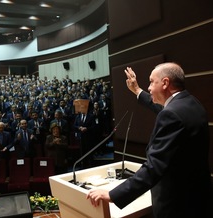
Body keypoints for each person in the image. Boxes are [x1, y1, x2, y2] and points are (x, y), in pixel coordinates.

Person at [86, 62, 211, 217]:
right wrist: (137, 91)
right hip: (197, 197)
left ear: (165, 83)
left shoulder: (171, 115)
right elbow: (164, 109)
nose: (150, 88)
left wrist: (113, 195)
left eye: (152, 82)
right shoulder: (191, 103)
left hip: (177, 205)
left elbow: (154, 166)